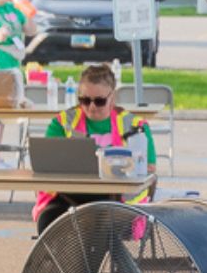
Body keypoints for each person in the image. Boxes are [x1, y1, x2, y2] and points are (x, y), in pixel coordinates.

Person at [33, 64, 155, 233]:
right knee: (48, 220)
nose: (91, 107)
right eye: (84, 100)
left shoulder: (136, 126)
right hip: (67, 198)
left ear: (112, 97)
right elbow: (46, 165)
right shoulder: (61, 123)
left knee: (98, 225)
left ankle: (86, 260)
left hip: (120, 202)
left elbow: (150, 170)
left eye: (99, 101)